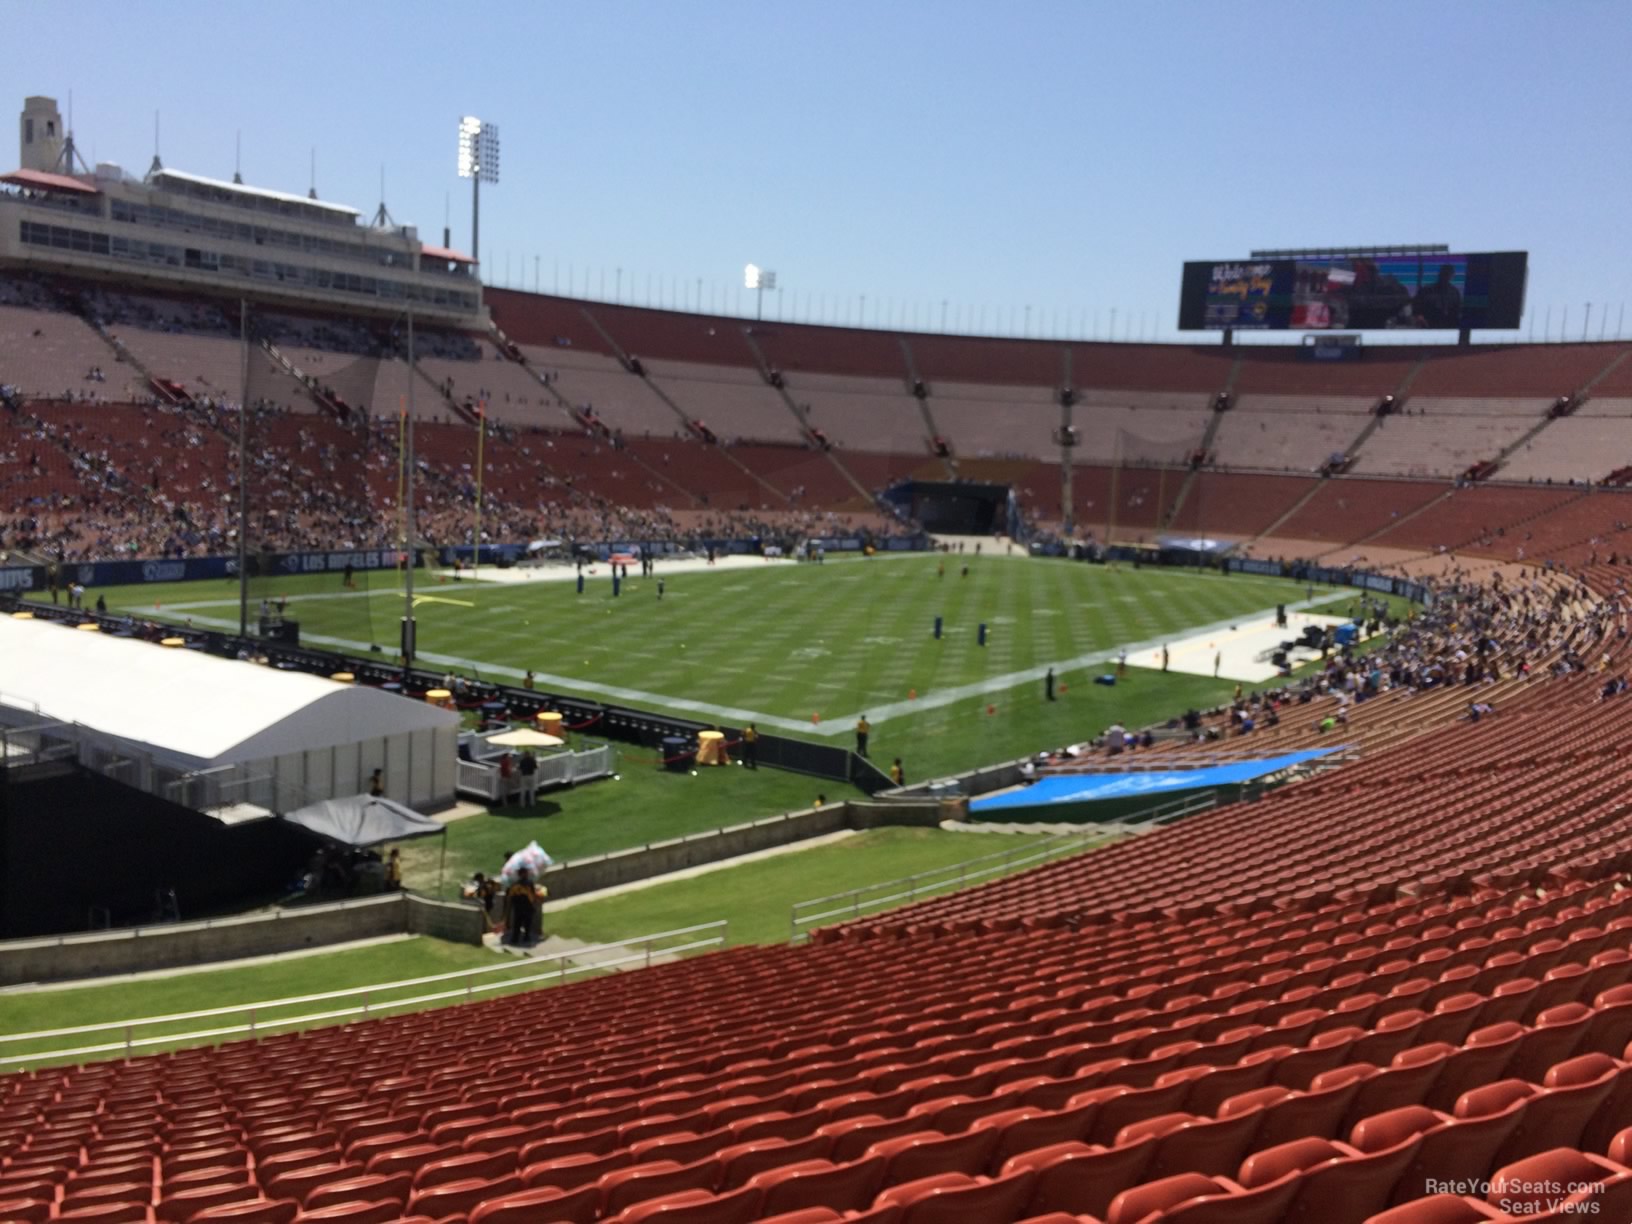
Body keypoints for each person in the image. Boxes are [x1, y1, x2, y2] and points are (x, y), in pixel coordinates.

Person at [503, 868, 542, 946]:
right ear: (523, 874)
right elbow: (532, 895)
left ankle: (515, 938)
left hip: (518, 907)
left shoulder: (515, 884)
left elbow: (511, 896)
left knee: (517, 923)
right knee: (527, 923)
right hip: (527, 906)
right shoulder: (529, 883)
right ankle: (526, 937)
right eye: (526, 873)